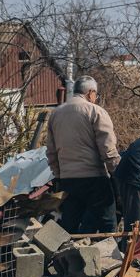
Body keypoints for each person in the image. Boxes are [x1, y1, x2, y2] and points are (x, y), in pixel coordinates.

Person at [45, 76, 120, 234]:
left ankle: (67, 255)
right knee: (107, 221)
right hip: (94, 178)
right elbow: (108, 149)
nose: (96, 98)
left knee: (70, 224)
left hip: (68, 180)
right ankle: (110, 254)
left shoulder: (56, 114)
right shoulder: (95, 111)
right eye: (96, 95)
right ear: (91, 92)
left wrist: (59, 176)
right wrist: (117, 173)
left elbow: (51, 152)